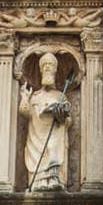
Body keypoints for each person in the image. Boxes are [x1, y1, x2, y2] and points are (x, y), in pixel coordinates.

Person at [19, 52, 72, 190]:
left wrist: (61, 115)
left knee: (53, 151)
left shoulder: (60, 96)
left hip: (54, 134)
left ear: (55, 69)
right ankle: (38, 183)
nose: (48, 67)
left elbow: (68, 121)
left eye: (50, 65)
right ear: (41, 69)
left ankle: (54, 181)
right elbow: (26, 113)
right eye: (45, 65)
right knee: (38, 158)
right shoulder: (35, 96)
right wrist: (25, 97)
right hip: (36, 135)